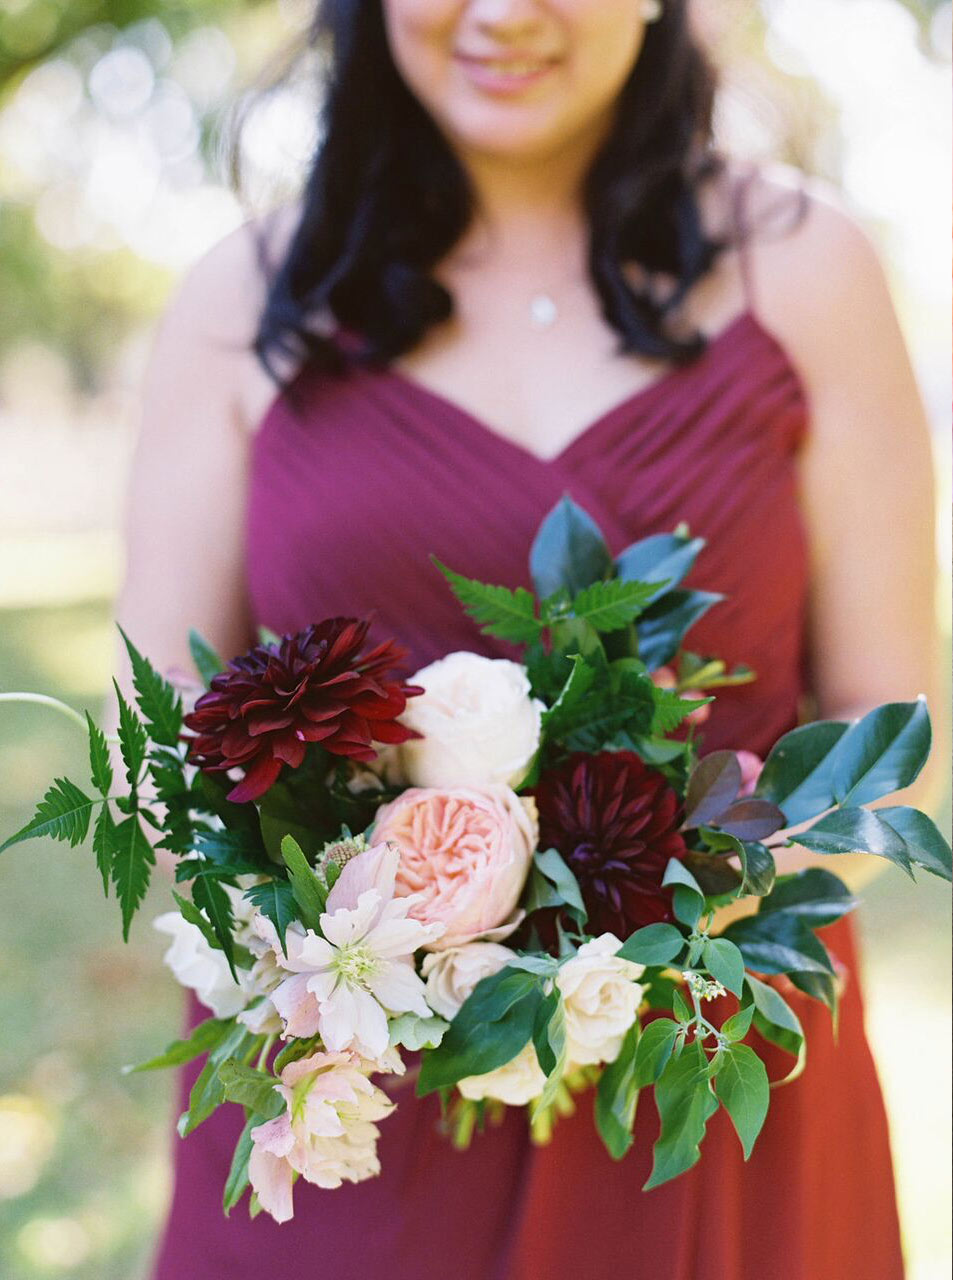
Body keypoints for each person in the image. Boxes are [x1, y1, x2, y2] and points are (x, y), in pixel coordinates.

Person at [116, 2, 943, 1277]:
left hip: (700, 1077)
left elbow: (892, 742)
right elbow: (155, 740)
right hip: (356, 1104)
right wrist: (384, 956)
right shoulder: (240, 299)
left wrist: (614, 952)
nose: (503, 13)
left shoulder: (804, 271)